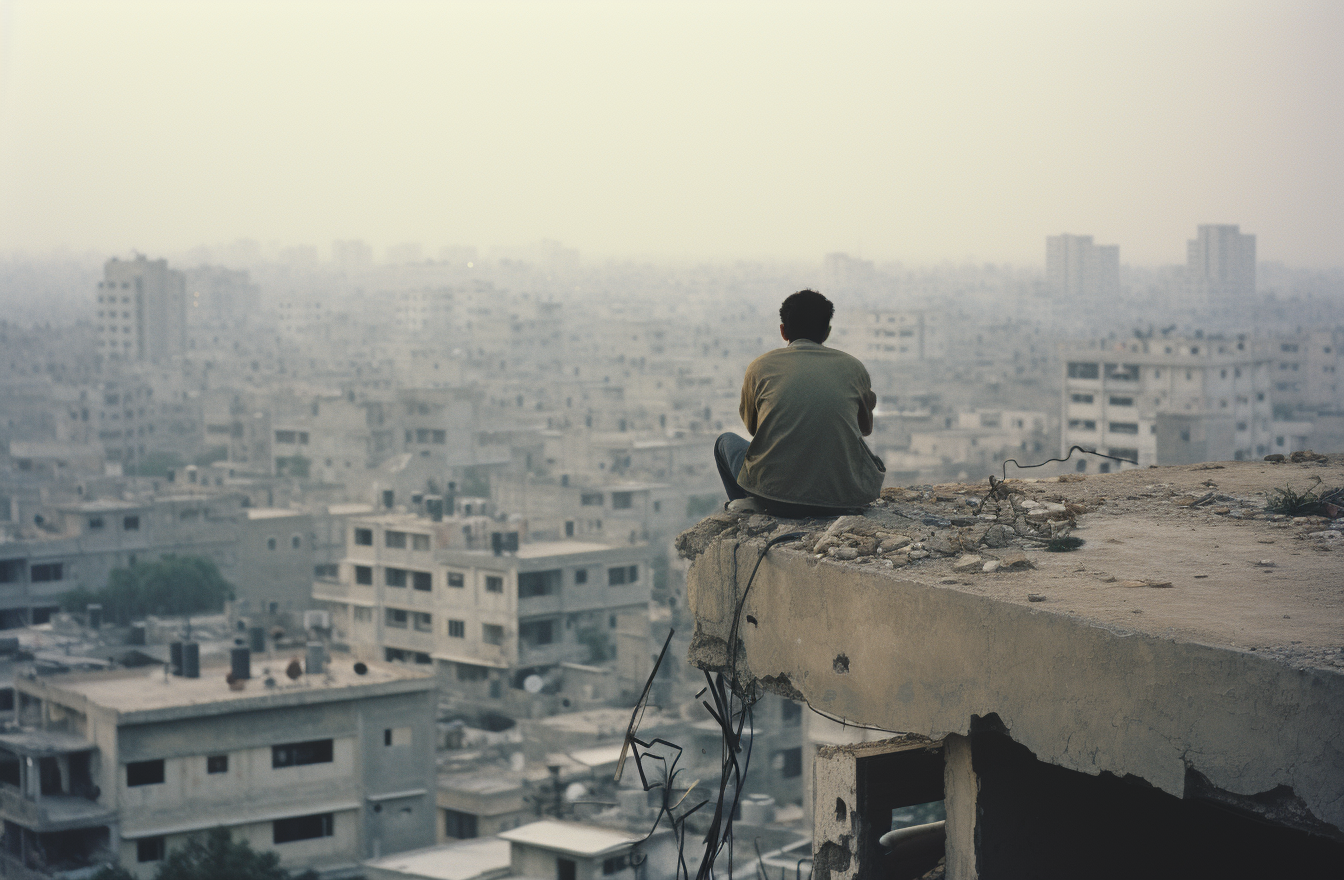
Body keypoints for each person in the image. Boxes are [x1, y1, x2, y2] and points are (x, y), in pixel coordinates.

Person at [715, 289, 885, 517]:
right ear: (827, 332)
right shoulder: (854, 368)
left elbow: (755, 429)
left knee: (724, 442)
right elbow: (865, 429)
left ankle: (749, 505)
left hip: (776, 499)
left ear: (783, 331)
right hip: (844, 498)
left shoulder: (760, 367)